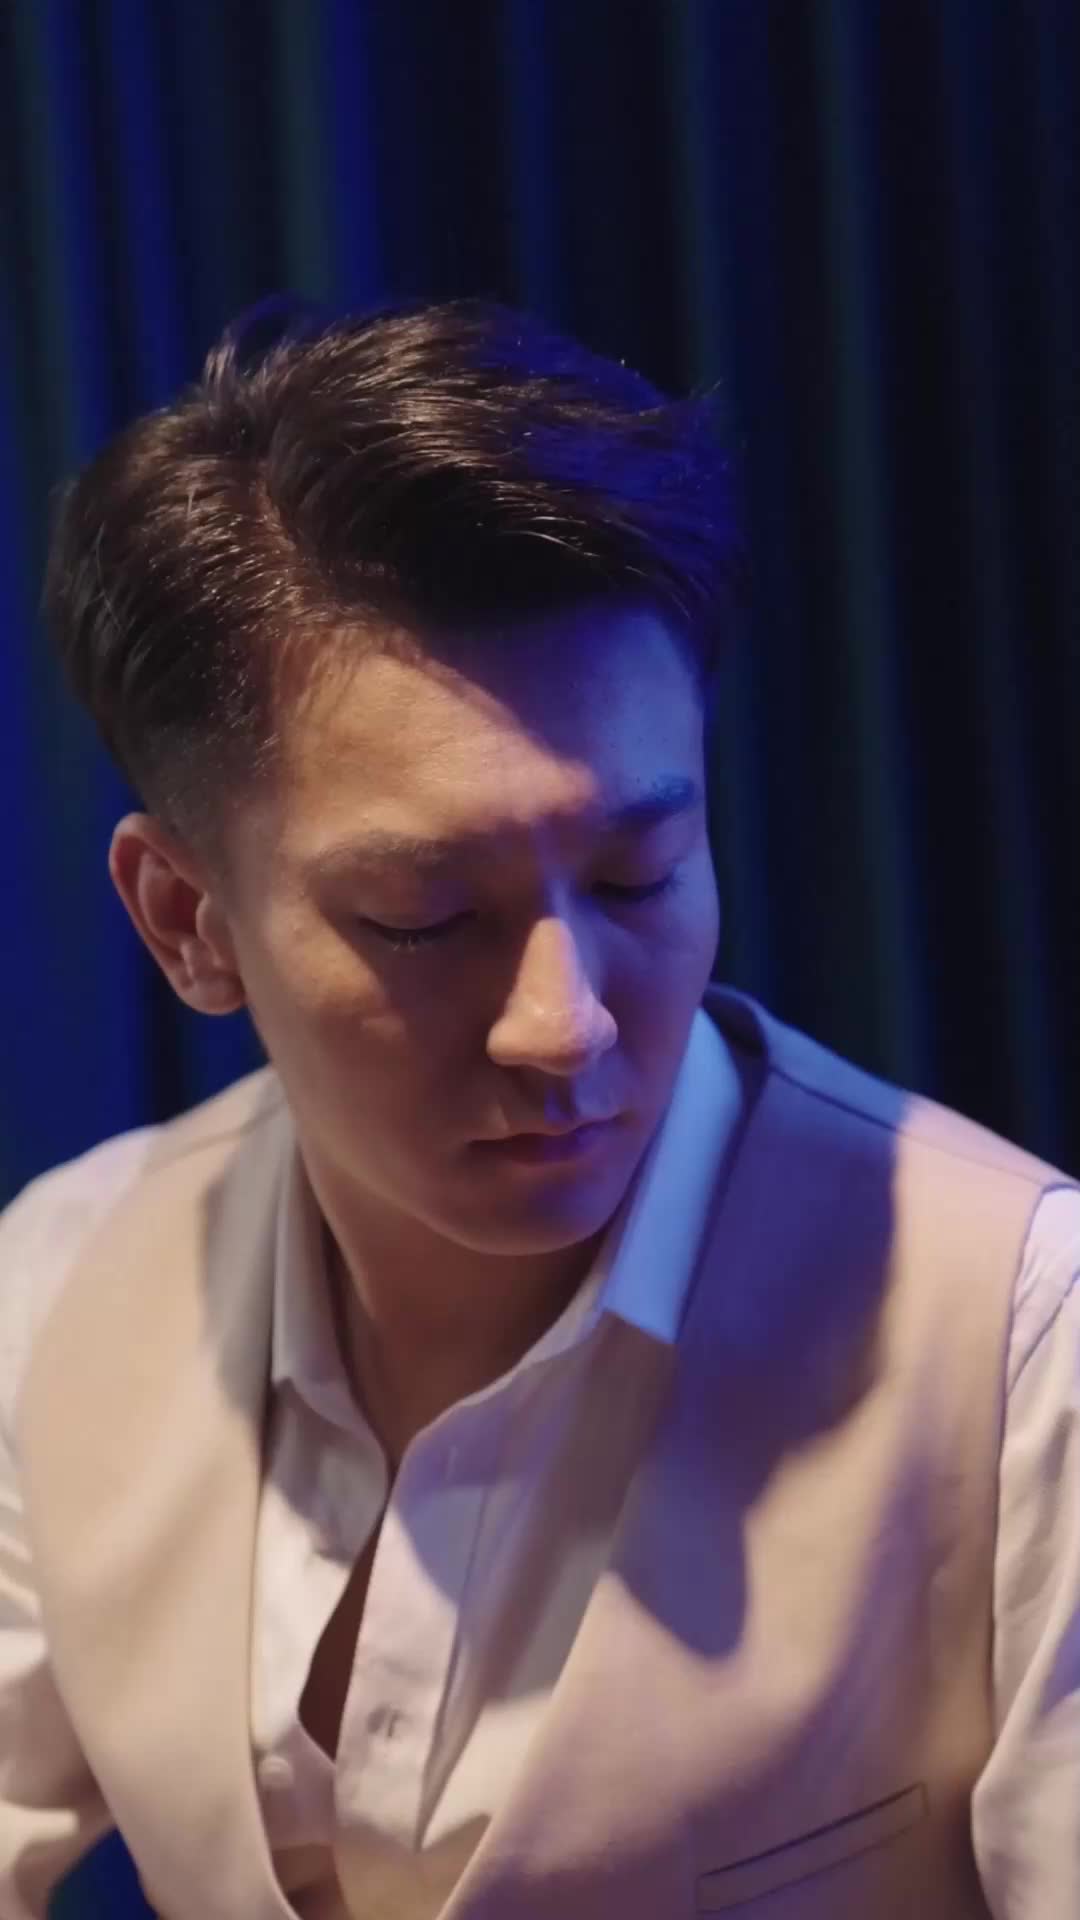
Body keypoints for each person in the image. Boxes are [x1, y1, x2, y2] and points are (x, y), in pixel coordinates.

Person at [0, 298, 1076, 1920]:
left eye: (640, 873)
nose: (565, 1024)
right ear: (185, 919)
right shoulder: (58, 1282)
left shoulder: (1022, 1334)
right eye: (426, 918)